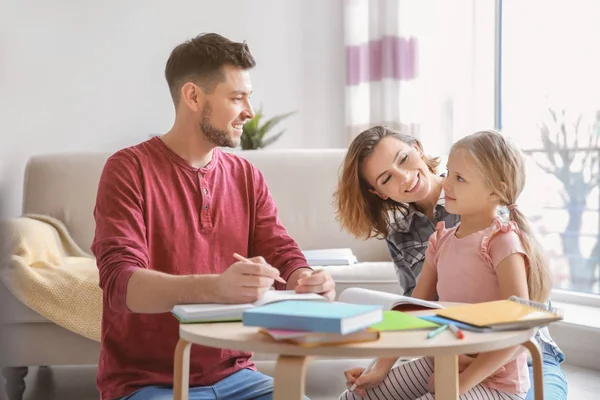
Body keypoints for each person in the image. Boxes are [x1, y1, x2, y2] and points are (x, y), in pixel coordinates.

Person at [90, 33, 335, 400]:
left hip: (239, 378)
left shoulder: (246, 176)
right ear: (193, 96)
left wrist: (306, 280)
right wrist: (216, 287)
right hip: (148, 384)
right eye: (237, 98)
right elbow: (122, 285)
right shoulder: (128, 170)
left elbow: (281, 252)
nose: (249, 112)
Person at [334, 126, 567, 399]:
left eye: (404, 159)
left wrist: (464, 376)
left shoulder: (491, 215)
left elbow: (522, 320)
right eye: (387, 178)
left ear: (418, 149)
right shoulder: (418, 237)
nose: (405, 177)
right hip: (451, 353)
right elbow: (415, 310)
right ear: (379, 192)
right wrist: (380, 366)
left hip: (519, 358)